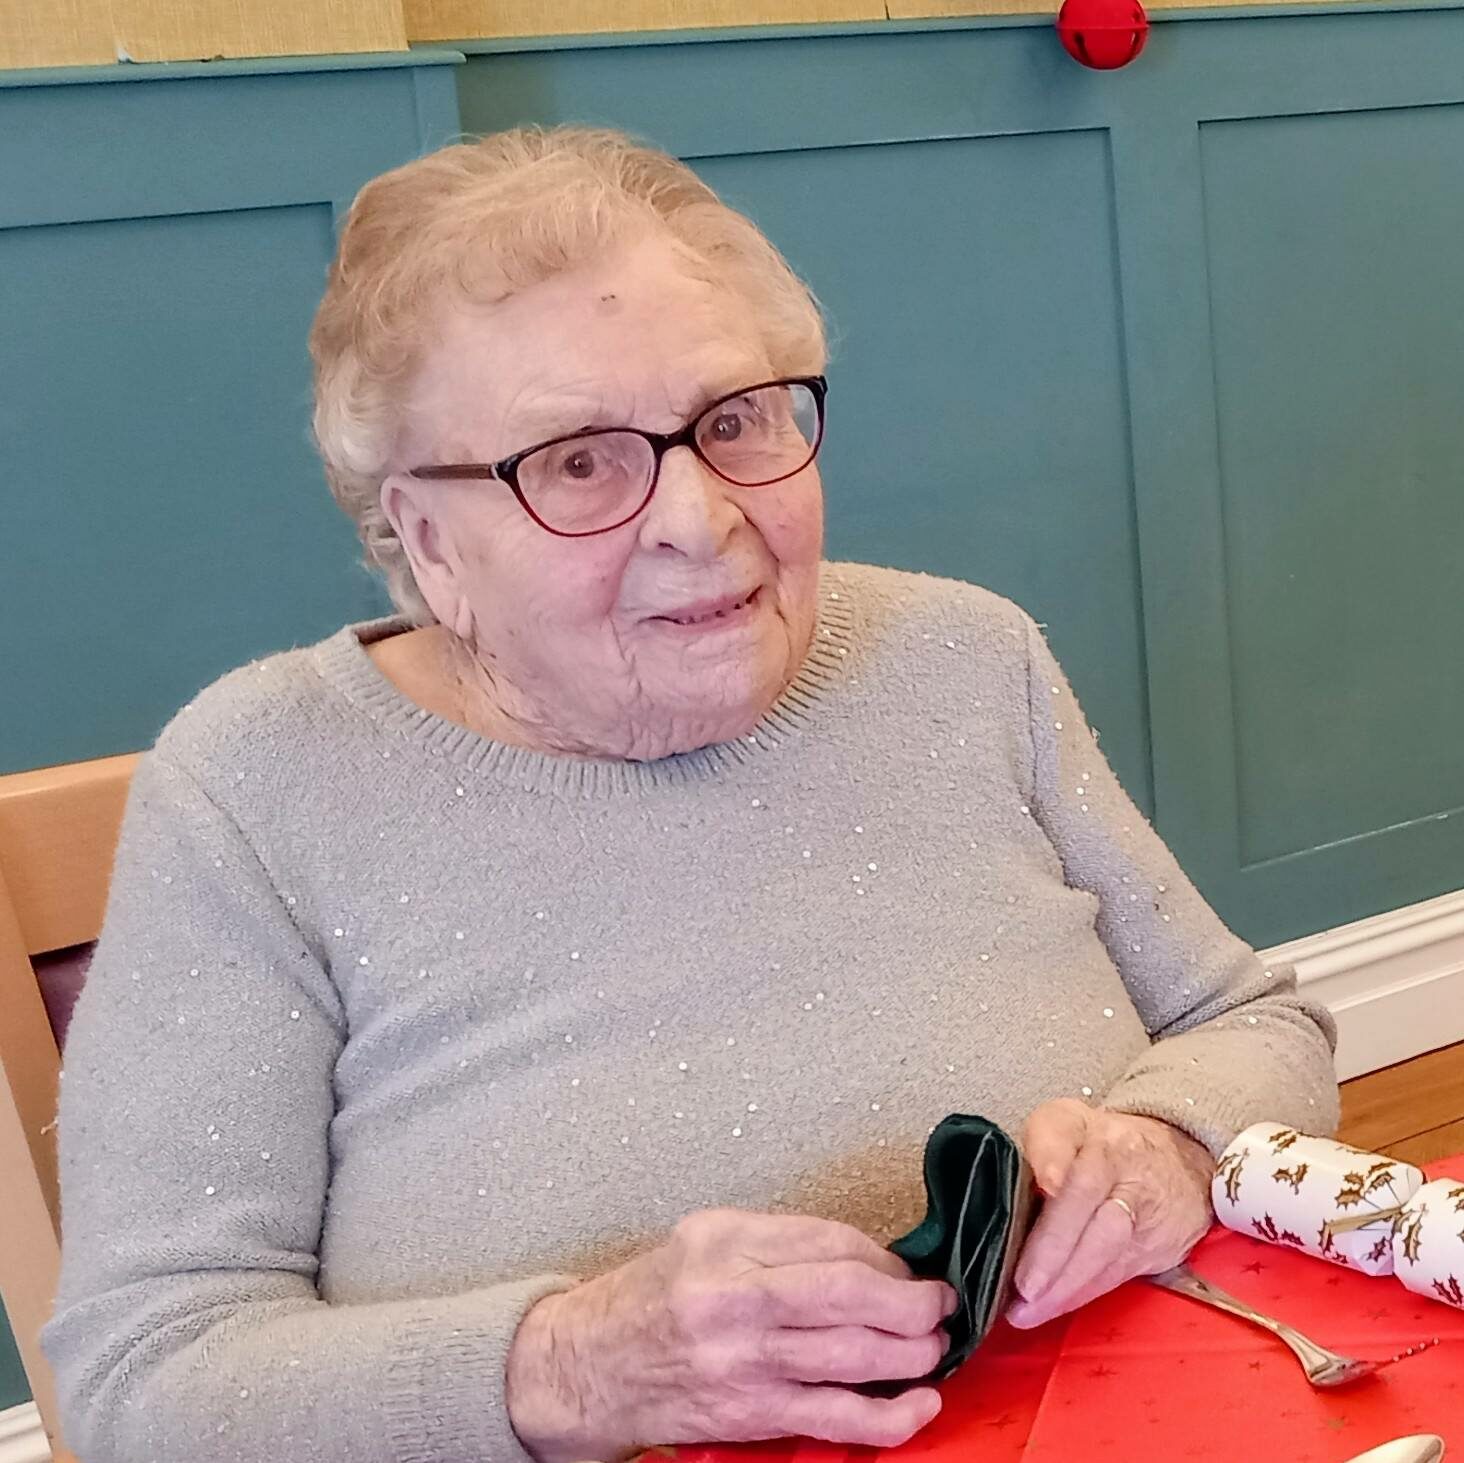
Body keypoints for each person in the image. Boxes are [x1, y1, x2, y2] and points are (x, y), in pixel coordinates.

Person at [44, 127, 1339, 1463]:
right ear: (428, 542)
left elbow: (1251, 1028)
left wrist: (1169, 1144)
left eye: (735, 422)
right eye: (580, 462)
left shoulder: (967, 656)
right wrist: (573, 1370)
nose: (699, 518)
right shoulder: (257, 788)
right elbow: (148, 1381)